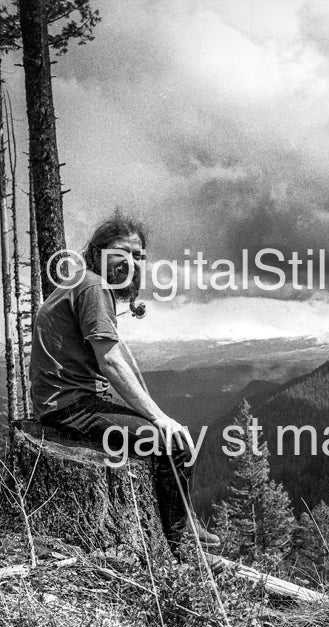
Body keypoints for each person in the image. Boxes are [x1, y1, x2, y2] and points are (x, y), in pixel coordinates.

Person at [29, 211, 221, 557]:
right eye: (122, 252)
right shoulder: (94, 286)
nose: (130, 263)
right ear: (98, 252)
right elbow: (112, 362)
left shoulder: (81, 282)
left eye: (138, 256)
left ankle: (184, 520)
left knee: (163, 437)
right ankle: (182, 548)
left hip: (63, 403)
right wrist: (159, 417)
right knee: (174, 444)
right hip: (71, 407)